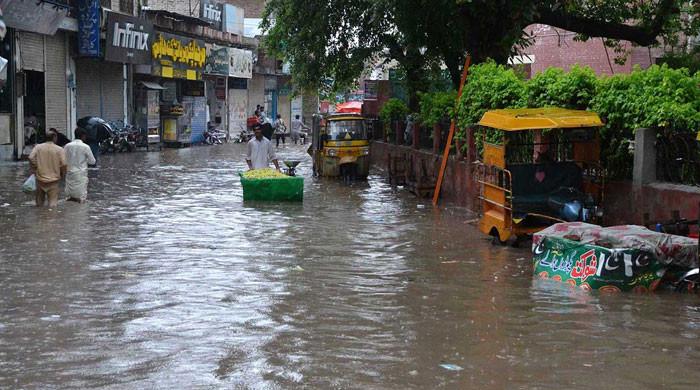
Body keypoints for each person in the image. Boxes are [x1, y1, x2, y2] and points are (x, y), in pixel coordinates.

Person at [28, 129, 66, 207]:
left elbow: (31, 157)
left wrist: (37, 166)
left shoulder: (38, 147)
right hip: (53, 180)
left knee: (39, 204)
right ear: (55, 138)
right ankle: (51, 217)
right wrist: (63, 173)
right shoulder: (59, 149)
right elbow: (64, 164)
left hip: (40, 179)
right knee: (52, 205)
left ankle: (40, 218)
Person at [64, 127, 96, 203]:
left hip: (69, 173)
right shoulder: (86, 147)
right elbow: (93, 162)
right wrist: (85, 160)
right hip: (81, 174)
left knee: (69, 197)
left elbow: (63, 159)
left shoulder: (67, 146)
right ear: (83, 136)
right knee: (81, 198)